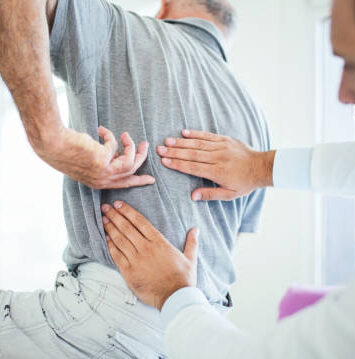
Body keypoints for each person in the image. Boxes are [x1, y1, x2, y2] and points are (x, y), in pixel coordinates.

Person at [0, 0, 271, 357]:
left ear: (165, 7)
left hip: (115, 319)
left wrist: (50, 138)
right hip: (196, 331)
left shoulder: (122, 29)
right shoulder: (256, 121)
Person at [102, 0, 355, 357]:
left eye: (353, 65)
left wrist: (173, 293)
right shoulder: (253, 115)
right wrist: (260, 167)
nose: (342, 93)